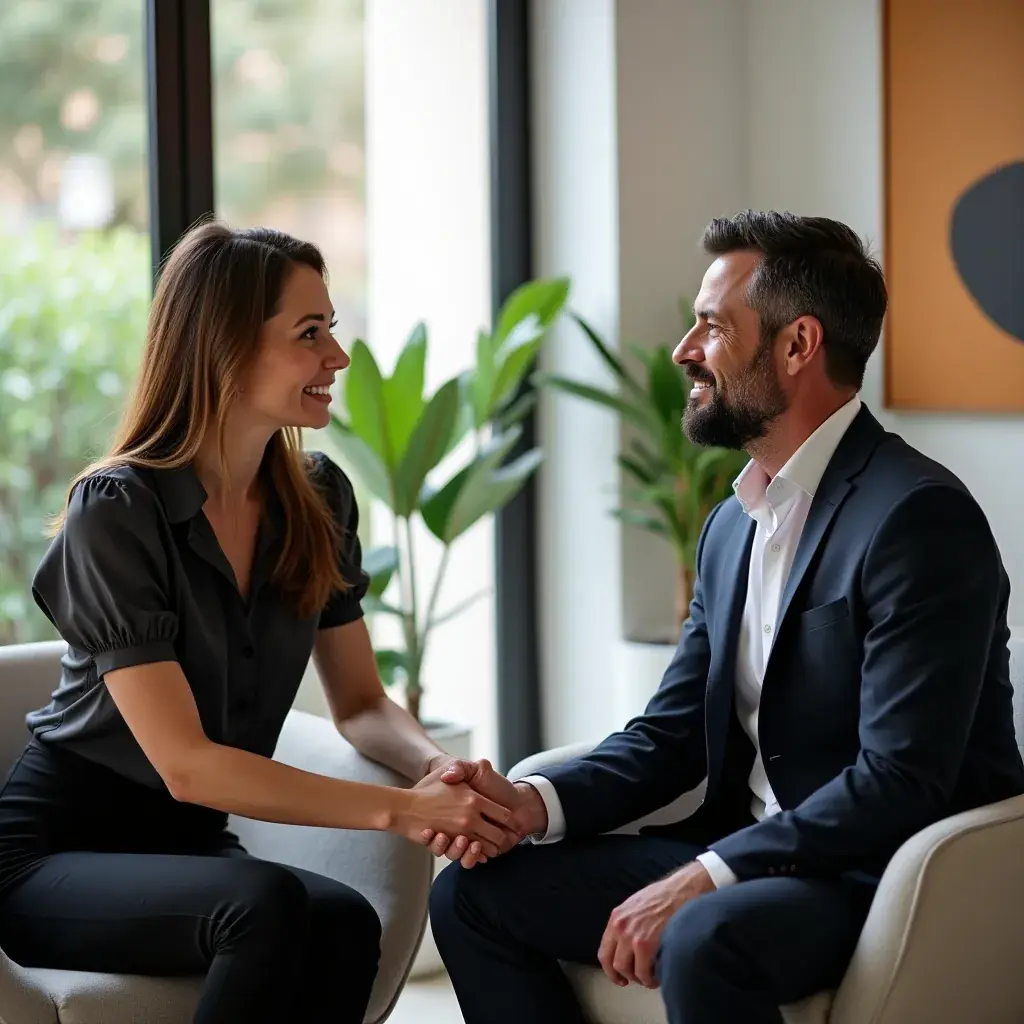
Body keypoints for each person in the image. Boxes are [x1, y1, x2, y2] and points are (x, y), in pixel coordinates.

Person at [427, 210, 1024, 1024]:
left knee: (705, 934)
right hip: (753, 852)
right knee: (470, 894)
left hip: (878, 874)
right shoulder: (731, 523)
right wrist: (533, 803)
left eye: (711, 326)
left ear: (796, 344)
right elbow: (672, 735)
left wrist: (707, 872)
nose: (683, 350)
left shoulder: (916, 519)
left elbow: (899, 780)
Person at [0, 221, 515, 1024]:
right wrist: (405, 813)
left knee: (344, 920)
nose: (337, 358)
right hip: (58, 856)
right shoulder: (119, 510)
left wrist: (437, 774)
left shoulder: (318, 499)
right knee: (264, 904)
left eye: (331, 330)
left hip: (191, 852)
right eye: (309, 334)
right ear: (224, 349)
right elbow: (188, 768)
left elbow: (362, 705)